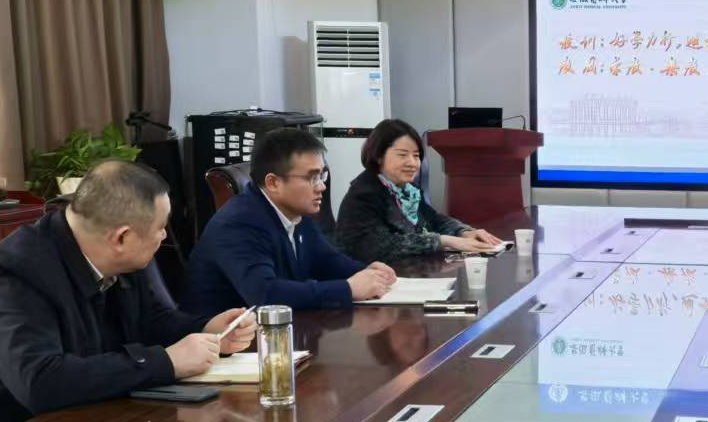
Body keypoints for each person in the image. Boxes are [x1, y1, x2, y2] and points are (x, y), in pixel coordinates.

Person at [0, 160, 256, 422]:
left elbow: (154, 321)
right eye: (160, 227)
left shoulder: (123, 255)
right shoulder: (14, 274)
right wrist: (165, 362)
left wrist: (208, 329)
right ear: (122, 237)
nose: (164, 236)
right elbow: (41, 382)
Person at [182, 128, 398, 317]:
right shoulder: (238, 224)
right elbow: (266, 295)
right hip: (223, 344)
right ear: (273, 183)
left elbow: (326, 261)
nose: (321, 186)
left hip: (282, 331)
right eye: (312, 177)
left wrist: (367, 272)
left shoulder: (295, 212)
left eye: (322, 175)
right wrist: (348, 289)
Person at [334, 119, 504, 264]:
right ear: (379, 156)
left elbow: (434, 219)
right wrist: (443, 241)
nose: (412, 163)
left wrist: (464, 232)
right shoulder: (364, 194)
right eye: (402, 155)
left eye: (416, 156)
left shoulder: (407, 191)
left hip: (406, 274)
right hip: (368, 281)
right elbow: (377, 247)